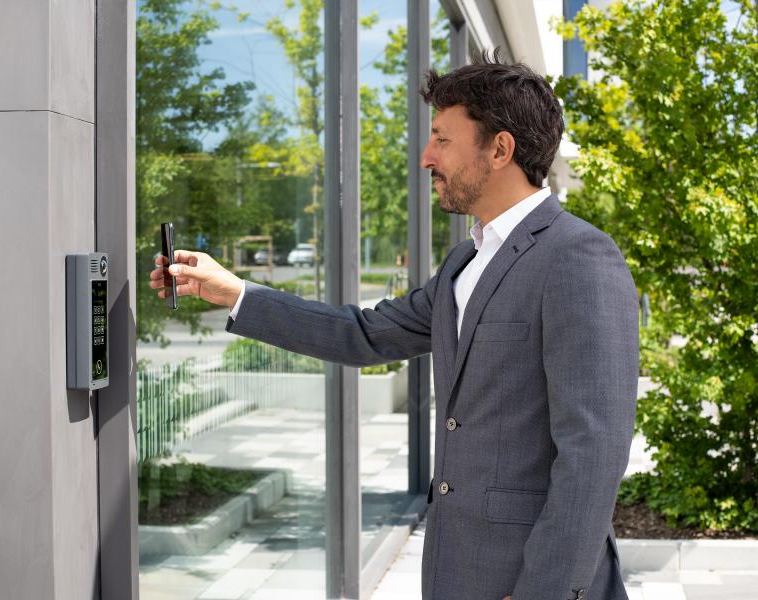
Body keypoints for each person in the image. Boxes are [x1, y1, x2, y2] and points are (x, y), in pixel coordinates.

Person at [149, 49, 638, 600]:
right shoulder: (464, 262)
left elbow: (593, 453)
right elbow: (362, 334)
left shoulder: (578, 257)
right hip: (456, 570)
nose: (426, 157)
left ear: (501, 149)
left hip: (529, 579)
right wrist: (235, 292)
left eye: (443, 139)